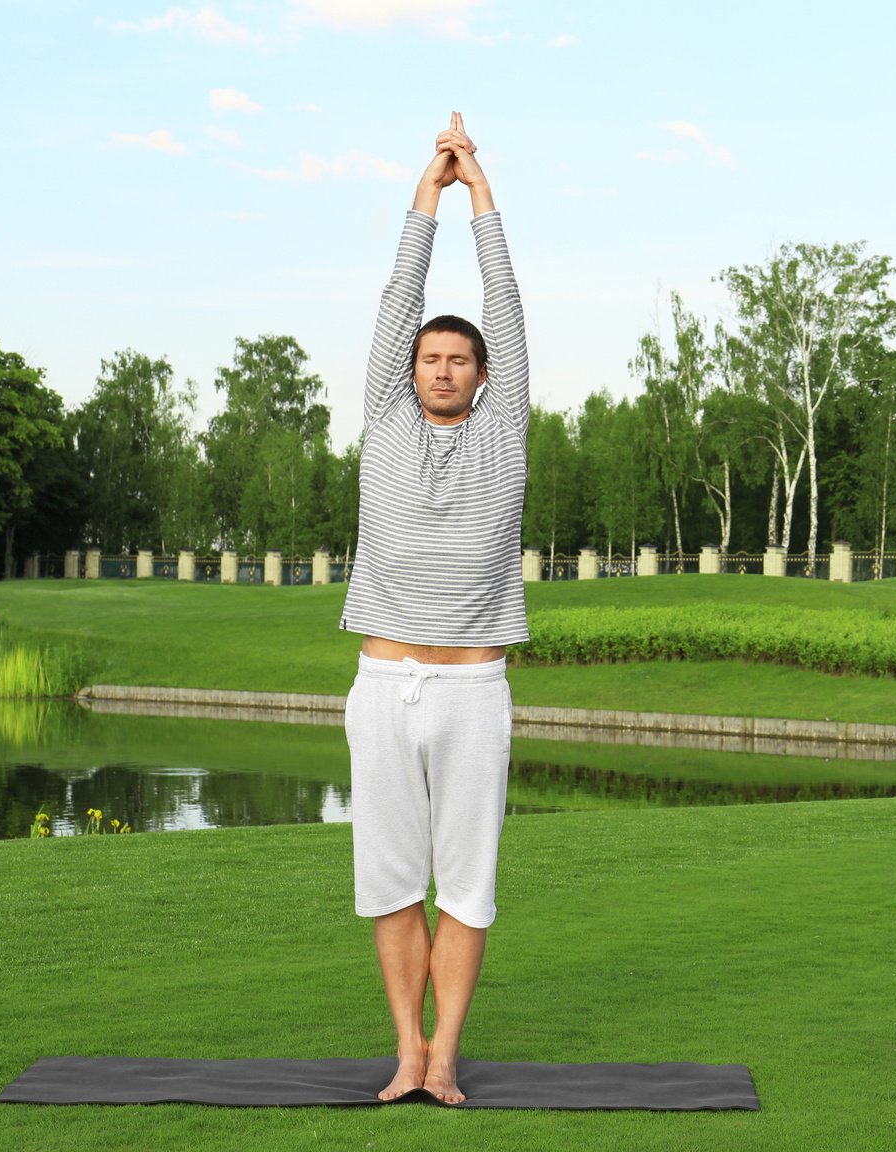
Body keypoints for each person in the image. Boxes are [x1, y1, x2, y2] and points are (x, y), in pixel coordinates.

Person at [340, 112, 529, 1105]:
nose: (442, 369)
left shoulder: (507, 428)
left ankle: (447, 1054)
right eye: (430, 360)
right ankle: (405, 1051)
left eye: (459, 360)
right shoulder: (382, 416)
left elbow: (504, 294)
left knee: (467, 885)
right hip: (383, 683)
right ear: (410, 374)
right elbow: (397, 296)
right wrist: (429, 188)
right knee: (389, 880)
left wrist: (480, 188)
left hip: (474, 689)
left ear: (484, 375)